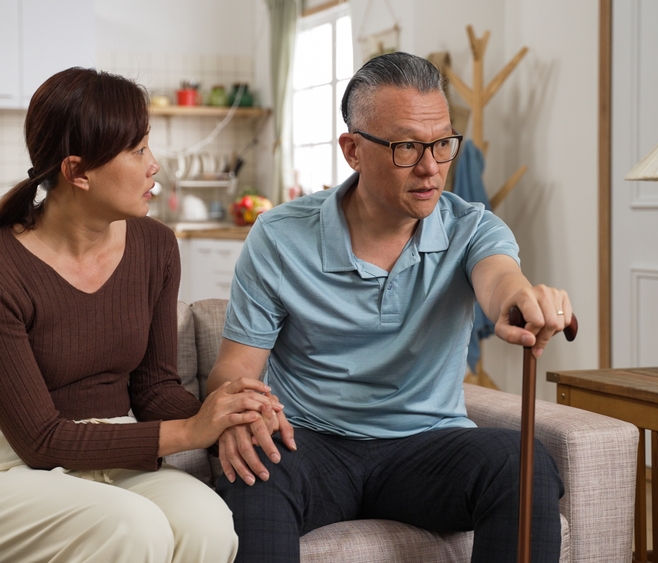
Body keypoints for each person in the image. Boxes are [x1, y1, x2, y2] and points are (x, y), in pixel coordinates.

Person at [206, 52, 573, 563]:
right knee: (251, 473)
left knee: (522, 463)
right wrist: (238, 411)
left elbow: (500, 280)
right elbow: (234, 368)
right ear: (353, 150)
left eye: (442, 144)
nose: (430, 167)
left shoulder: (472, 227)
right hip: (309, 442)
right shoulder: (280, 235)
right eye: (406, 146)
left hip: (426, 448)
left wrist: (520, 302)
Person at [0, 67, 281, 563]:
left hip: (117, 454)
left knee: (210, 526)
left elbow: (154, 389)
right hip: (3, 469)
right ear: (77, 171)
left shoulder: (155, 246)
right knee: (134, 529)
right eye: (138, 150)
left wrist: (229, 416)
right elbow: (40, 441)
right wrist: (191, 431)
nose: (155, 166)